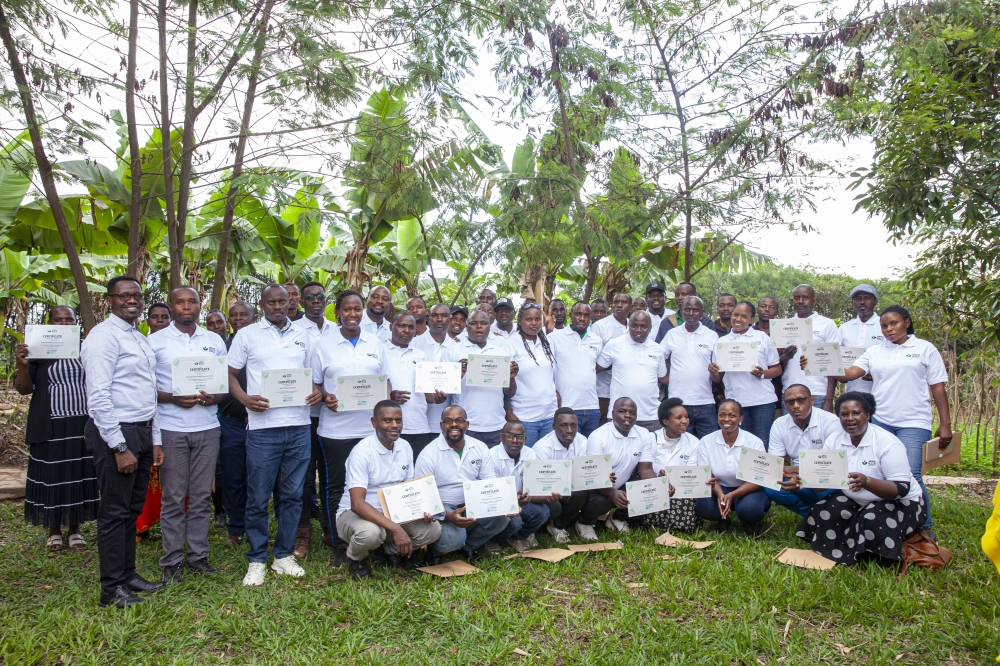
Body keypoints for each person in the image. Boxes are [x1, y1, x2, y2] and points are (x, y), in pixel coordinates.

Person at [227, 284, 323, 586]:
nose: (278, 306)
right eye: (272, 302)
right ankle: (256, 559)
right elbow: (229, 374)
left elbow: (314, 378)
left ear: (290, 302)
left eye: (283, 301)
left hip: (298, 426)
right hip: (262, 428)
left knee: (293, 495)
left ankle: (282, 555)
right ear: (262, 304)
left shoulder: (304, 336)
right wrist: (245, 400)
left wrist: (315, 394)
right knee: (258, 496)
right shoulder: (247, 335)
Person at [81, 275, 165, 608]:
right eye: (123, 295)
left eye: (136, 295)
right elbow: (98, 396)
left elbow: (148, 394)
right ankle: (111, 588)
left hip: (142, 430)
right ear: (110, 301)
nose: (132, 300)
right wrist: (118, 446)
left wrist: (155, 440)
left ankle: (128, 574)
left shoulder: (139, 338)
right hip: (117, 433)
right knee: (115, 512)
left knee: (131, 510)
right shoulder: (102, 338)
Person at [834, 305, 951, 534]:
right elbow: (848, 374)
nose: (888, 329)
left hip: (914, 421)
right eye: (884, 326)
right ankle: (887, 518)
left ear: (906, 322)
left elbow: (937, 386)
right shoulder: (875, 351)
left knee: (911, 474)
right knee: (881, 474)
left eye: (894, 323)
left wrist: (945, 423)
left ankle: (923, 527)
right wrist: (819, 365)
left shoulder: (925, 348)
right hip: (880, 421)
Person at [148, 286, 227, 582]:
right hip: (171, 428)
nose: (186, 306)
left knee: (200, 497)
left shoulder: (214, 340)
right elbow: (147, 389)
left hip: (207, 428)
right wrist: (173, 398)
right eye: (179, 301)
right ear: (171, 306)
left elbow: (222, 385)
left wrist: (214, 398)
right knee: (173, 496)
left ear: (199, 305)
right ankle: (171, 560)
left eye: (192, 301)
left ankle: (197, 555)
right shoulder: (155, 341)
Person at [795, 392, 925, 565]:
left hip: (900, 502)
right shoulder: (834, 440)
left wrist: (867, 482)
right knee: (824, 510)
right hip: (856, 499)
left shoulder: (887, 443)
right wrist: (808, 481)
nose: (850, 418)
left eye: (856, 413)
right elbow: (823, 483)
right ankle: (843, 550)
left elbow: (901, 489)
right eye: (844, 414)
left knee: (872, 518)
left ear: (868, 415)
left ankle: (879, 556)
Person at [310, 289, 390, 567]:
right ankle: (337, 542)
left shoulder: (375, 342)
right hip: (336, 430)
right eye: (347, 309)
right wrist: (324, 396)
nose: (353, 315)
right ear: (337, 312)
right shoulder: (324, 344)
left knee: (371, 486)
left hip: (370, 431)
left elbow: (385, 381)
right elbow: (314, 382)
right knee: (335, 487)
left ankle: (374, 541)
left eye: (357, 309)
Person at [16, 306, 98, 552]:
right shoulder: (37, 348)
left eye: (69, 319)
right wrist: (22, 365)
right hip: (49, 423)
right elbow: (23, 389)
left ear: (76, 323)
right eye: (57, 319)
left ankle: (75, 530)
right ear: (49, 322)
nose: (63, 323)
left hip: (82, 423)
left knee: (77, 474)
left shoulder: (87, 348)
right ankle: (54, 530)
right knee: (53, 477)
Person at [337, 400, 441, 578]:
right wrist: (396, 529)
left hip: (394, 513)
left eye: (398, 420)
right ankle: (355, 557)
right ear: (374, 422)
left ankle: (389, 551)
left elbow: (408, 490)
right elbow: (357, 504)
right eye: (387, 420)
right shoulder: (361, 453)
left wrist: (422, 509)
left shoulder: (405, 447)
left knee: (433, 530)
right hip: (356, 515)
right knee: (370, 533)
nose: (394, 425)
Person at [416, 405, 508, 562]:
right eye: (448, 421)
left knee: (502, 519)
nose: (454, 425)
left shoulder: (479, 447)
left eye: (459, 420)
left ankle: (466, 546)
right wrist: (448, 516)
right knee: (451, 540)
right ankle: (437, 550)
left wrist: (507, 503)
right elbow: (423, 495)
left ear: (467, 424)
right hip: (444, 505)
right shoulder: (428, 454)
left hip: (473, 503)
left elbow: (490, 483)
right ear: (441, 425)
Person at [290, 281, 333, 559]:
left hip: (333, 417)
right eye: (309, 297)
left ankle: (332, 529)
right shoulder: (292, 331)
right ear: (301, 302)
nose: (315, 301)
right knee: (304, 479)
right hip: (302, 416)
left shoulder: (336, 331)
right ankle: (302, 533)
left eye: (320, 297)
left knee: (330, 477)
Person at [709, 301, 782, 448]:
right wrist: (713, 372)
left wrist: (762, 373)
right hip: (736, 402)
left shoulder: (762, 338)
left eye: (744, 316)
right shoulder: (722, 342)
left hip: (763, 401)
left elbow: (778, 369)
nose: (738, 319)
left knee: (762, 442)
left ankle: (760, 472)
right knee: (740, 445)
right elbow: (718, 378)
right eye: (735, 315)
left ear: (751, 320)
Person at [694, 400, 772, 534]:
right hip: (720, 486)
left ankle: (749, 521)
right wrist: (720, 494)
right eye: (722, 415)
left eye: (732, 415)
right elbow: (708, 475)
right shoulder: (706, 441)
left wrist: (733, 495)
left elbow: (758, 478)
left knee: (751, 509)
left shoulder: (754, 442)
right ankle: (723, 517)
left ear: (740, 418)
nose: (726, 419)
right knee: (704, 506)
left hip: (748, 489)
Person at [765, 384, 842, 516]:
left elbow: (834, 465)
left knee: (833, 488)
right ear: (785, 404)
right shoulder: (779, 424)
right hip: (796, 479)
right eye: (790, 402)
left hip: (825, 478)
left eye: (801, 400)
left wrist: (802, 473)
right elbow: (776, 463)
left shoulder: (830, 422)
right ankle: (812, 516)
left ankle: (827, 514)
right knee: (771, 486)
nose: (795, 405)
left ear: (811, 401)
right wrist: (791, 472)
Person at [485, 420, 561, 552]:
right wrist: (514, 499)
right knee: (515, 521)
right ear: (501, 437)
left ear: (525, 439)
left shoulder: (530, 454)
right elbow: (493, 492)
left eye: (520, 437)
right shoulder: (491, 456)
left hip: (521, 500)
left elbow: (534, 487)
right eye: (510, 436)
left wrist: (547, 496)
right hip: (498, 503)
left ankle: (518, 537)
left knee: (544, 511)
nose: (515, 440)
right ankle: (493, 540)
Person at [578, 398, 650, 535]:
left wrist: (660, 486)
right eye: (622, 411)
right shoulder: (598, 436)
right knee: (600, 500)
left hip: (622, 484)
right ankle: (584, 522)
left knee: (645, 487)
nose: (628, 415)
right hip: (597, 487)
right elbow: (593, 476)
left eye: (632, 412)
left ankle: (617, 518)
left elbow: (645, 469)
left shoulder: (644, 434)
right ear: (612, 413)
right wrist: (612, 493)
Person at [216, 300, 256, 546]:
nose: (238, 318)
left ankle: (256, 526)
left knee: (260, 479)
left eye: (244, 314)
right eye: (234, 315)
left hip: (262, 421)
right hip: (232, 423)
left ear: (254, 317)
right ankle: (236, 527)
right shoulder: (222, 347)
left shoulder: (260, 342)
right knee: (234, 477)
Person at [451, 309, 518, 447]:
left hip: (496, 424)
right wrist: (457, 374)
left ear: (490, 326)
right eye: (474, 323)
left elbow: (509, 393)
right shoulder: (454, 350)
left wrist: (511, 378)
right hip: (466, 424)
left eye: (484, 323)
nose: (479, 326)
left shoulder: (502, 353)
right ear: (466, 326)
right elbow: (446, 390)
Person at [385, 312, 446, 460]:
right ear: (391, 326)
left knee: (419, 477)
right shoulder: (380, 352)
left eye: (411, 327)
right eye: (401, 326)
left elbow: (428, 396)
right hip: (389, 428)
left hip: (418, 427)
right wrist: (389, 397)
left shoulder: (421, 355)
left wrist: (438, 397)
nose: (406, 330)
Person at [635, 398, 700, 533]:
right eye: (679, 417)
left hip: (682, 487)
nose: (685, 421)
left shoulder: (693, 442)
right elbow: (645, 469)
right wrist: (660, 479)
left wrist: (674, 480)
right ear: (666, 421)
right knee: (653, 494)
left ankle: (666, 522)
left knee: (684, 500)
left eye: (686, 417)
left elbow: (691, 472)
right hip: (655, 483)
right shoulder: (652, 438)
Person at [596, 311, 668, 431]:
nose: (638, 330)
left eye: (644, 326)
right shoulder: (614, 344)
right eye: (634, 325)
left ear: (650, 328)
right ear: (629, 326)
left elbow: (663, 378)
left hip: (650, 416)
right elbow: (594, 370)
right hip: (620, 415)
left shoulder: (657, 349)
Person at [660, 296, 719, 438]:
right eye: (687, 309)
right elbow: (658, 358)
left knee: (708, 446)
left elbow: (717, 375)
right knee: (681, 445)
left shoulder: (711, 335)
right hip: (678, 403)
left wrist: (714, 372)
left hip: (705, 402)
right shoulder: (672, 334)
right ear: (681, 311)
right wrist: (665, 379)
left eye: (695, 310)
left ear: (702, 313)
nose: (691, 313)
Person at [779, 285, 840, 411]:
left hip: (817, 393)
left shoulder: (827, 324)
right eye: (797, 298)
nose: (800, 301)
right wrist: (786, 357)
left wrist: (829, 399)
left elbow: (834, 363)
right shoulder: (784, 325)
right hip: (790, 392)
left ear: (814, 301)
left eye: (805, 298)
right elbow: (777, 363)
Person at [504, 302, 558, 447]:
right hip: (525, 417)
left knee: (546, 464)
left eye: (537, 319)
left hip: (549, 416)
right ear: (520, 321)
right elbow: (504, 383)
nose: (534, 323)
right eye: (529, 319)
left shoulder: (546, 342)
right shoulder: (510, 343)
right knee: (527, 462)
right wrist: (508, 411)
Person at [532, 408, 589, 543]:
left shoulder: (581, 441)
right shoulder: (542, 448)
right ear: (553, 426)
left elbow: (581, 471)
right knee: (554, 506)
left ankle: (557, 526)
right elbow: (537, 484)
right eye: (563, 425)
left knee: (582, 493)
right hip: (545, 491)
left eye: (573, 425)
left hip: (569, 485)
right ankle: (533, 530)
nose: (569, 430)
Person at [550, 301, 602, 437]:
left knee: (590, 452)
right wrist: (553, 390)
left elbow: (593, 368)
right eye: (578, 314)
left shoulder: (596, 340)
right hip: (567, 407)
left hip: (592, 406)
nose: (582, 318)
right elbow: (546, 368)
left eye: (586, 315)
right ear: (570, 315)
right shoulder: (555, 338)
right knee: (570, 451)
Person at [412, 303, 457, 445]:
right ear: (427, 318)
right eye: (434, 315)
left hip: (448, 421)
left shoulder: (458, 347)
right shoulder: (413, 344)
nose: (439, 319)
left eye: (444, 316)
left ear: (449, 320)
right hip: (418, 422)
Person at [591, 292, 631, 424]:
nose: (619, 305)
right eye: (616, 302)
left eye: (624, 302)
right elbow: (593, 360)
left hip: (628, 391)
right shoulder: (600, 326)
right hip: (604, 392)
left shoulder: (634, 325)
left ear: (630, 306)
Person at [838, 284, 883, 394]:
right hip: (853, 392)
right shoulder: (844, 328)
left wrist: (879, 373)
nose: (862, 302)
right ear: (852, 303)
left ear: (875, 301)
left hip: (882, 393)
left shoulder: (885, 325)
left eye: (867, 298)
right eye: (858, 299)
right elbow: (836, 357)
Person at [753, 296, 786, 408]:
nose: (767, 309)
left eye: (771, 307)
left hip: (778, 390)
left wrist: (786, 356)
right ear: (757, 309)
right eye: (763, 306)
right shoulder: (748, 333)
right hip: (753, 392)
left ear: (776, 312)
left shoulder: (783, 334)